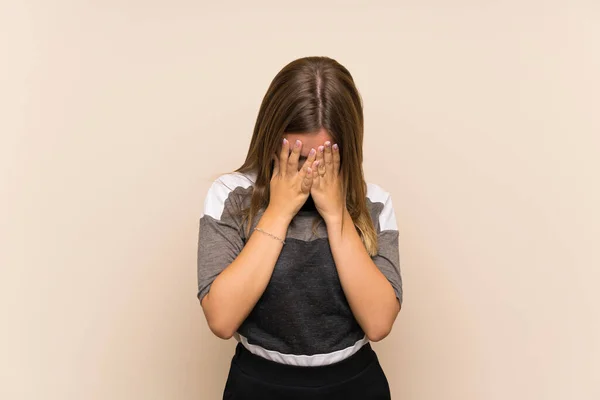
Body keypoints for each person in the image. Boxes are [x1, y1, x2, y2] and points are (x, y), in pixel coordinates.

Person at [197, 56, 403, 399]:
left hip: (353, 382)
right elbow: (221, 319)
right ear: (272, 142)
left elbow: (379, 323)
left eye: (323, 160)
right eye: (298, 158)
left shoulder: (374, 203)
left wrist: (336, 215)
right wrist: (278, 211)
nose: (309, 174)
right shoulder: (231, 195)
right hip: (258, 383)